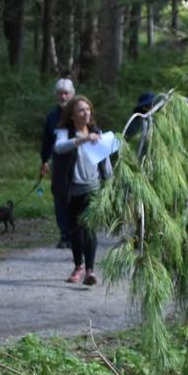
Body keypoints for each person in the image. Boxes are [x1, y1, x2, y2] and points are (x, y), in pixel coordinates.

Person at [52, 95, 111, 286]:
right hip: (72, 189)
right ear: (72, 115)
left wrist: (109, 182)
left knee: (90, 229)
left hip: (93, 187)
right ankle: (78, 266)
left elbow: (105, 160)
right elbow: (59, 148)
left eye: (88, 109)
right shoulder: (65, 132)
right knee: (76, 230)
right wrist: (82, 140)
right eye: (81, 110)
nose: (86, 113)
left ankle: (90, 271)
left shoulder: (97, 132)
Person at [39, 76, 75, 248]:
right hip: (59, 165)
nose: (63, 97)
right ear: (56, 95)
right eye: (60, 94)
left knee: (77, 198)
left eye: (66, 93)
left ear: (72, 95)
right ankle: (64, 234)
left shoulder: (80, 113)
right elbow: (46, 140)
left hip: (78, 165)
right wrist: (44, 160)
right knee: (60, 198)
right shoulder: (52, 117)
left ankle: (76, 233)